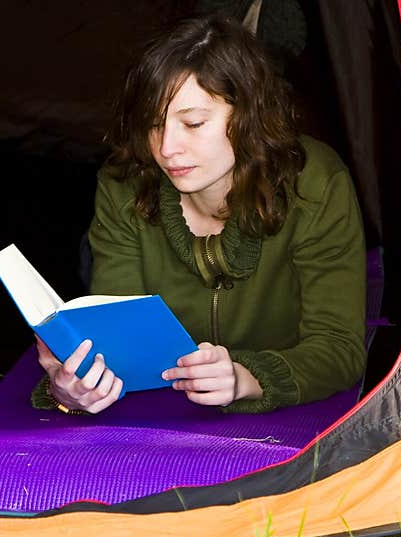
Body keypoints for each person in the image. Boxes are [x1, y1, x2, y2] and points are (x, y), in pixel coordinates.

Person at [31, 13, 367, 415]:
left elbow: (338, 346)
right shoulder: (124, 185)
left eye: (192, 123)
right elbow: (119, 349)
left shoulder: (314, 185)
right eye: (154, 125)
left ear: (248, 115)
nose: (167, 148)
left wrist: (247, 377)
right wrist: (73, 390)